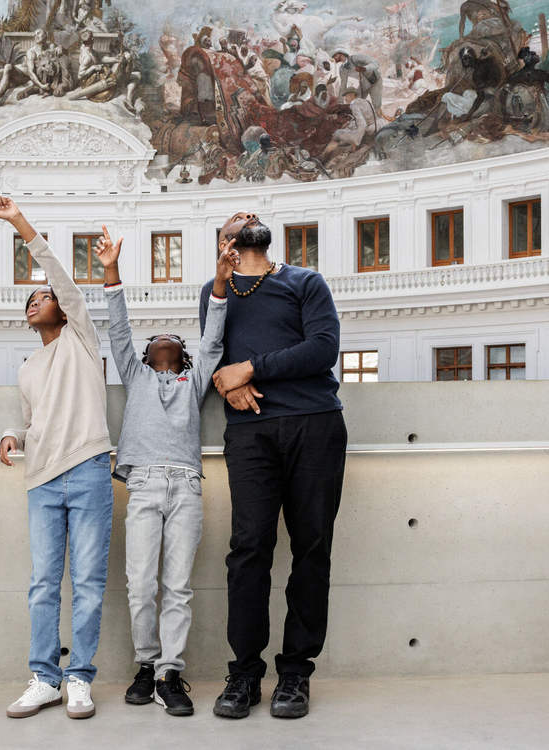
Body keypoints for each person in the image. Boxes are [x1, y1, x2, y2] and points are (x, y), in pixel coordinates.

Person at [201, 211, 347, 721]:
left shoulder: (304, 281)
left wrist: (253, 367)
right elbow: (209, 355)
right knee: (248, 550)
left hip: (314, 423)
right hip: (250, 434)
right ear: (224, 243)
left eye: (253, 216)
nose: (246, 219)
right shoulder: (215, 292)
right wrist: (228, 378)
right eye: (234, 220)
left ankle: (295, 674)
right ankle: (243, 673)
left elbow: (323, 349)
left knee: (311, 547)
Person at [95, 226, 235, 717]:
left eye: (173, 339)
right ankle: (144, 665)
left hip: (186, 487)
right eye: (156, 339)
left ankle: (169, 674)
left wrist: (220, 282)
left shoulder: (195, 381)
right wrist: (111, 268)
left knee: (178, 585)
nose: (164, 341)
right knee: (139, 583)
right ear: (147, 352)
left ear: (183, 353)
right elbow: (116, 328)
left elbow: (214, 338)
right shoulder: (135, 376)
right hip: (145, 485)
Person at [0, 186, 114, 721]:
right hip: (41, 480)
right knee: (43, 585)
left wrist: (20, 223)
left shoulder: (81, 337)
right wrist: (15, 434)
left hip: (87, 470)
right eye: (29, 300)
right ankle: (44, 678)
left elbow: (58, 275)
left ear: (63, 309)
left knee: (87, 583)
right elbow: (35, 418)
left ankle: (79, 679)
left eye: (42, 297)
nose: (34, 301)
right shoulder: (27, 367)